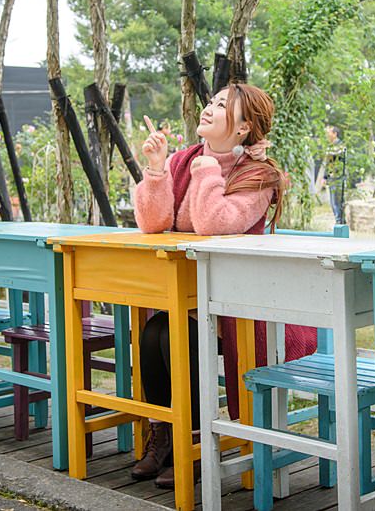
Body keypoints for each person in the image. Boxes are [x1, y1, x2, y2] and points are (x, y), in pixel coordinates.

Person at [130, 84, 317, 488]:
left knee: (180, 334)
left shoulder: (259, 175)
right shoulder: (184, 161)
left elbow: (215, 226)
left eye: (221, 105)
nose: (209, 108)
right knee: (154, 332)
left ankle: (197, 448)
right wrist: (158, 170)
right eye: (210, 102)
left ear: (244, 127)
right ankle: (164, 438)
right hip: (192, 291)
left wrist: (211, 170)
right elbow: (153, 224)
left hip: (242, 304)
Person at [322, 125, 347, 225]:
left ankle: (339, 222)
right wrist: (325, 177)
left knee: (337, 201)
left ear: (335, 134)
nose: (328, 135)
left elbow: (340, 162)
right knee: (333, 202)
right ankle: (339, 221)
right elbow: (328, 163)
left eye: (329, 132)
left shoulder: (341, 146)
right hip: (332, 178)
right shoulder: (330, 146)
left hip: (338, 177)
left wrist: (335, 172)